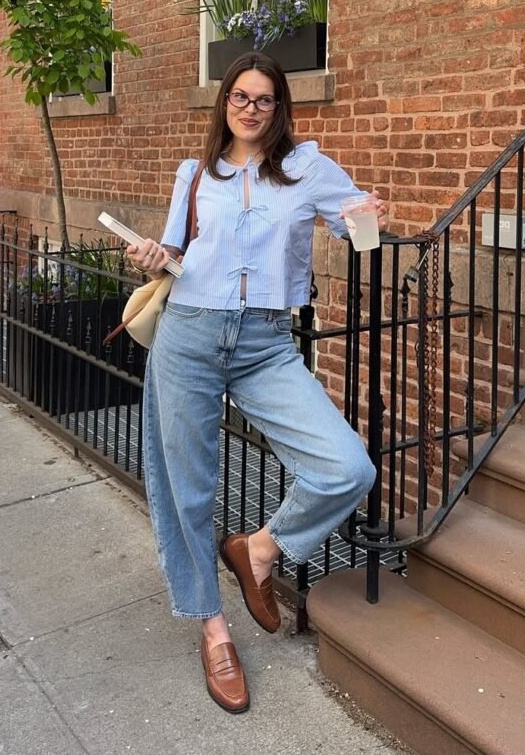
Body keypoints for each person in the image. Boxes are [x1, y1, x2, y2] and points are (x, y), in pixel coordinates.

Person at [127, 52, 388, 714]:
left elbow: (360, 238)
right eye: (239, 96)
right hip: (187, 333)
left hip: (265, 343)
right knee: (186, 489)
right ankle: (213, 629)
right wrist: (155, 255)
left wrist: (367, 216)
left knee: (346, 467)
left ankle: (258, 549)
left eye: (263, 98)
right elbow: (175, 259)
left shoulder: (306, 170)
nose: (249, 107)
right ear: (224, 104)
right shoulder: (196, 174)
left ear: (278, 108)